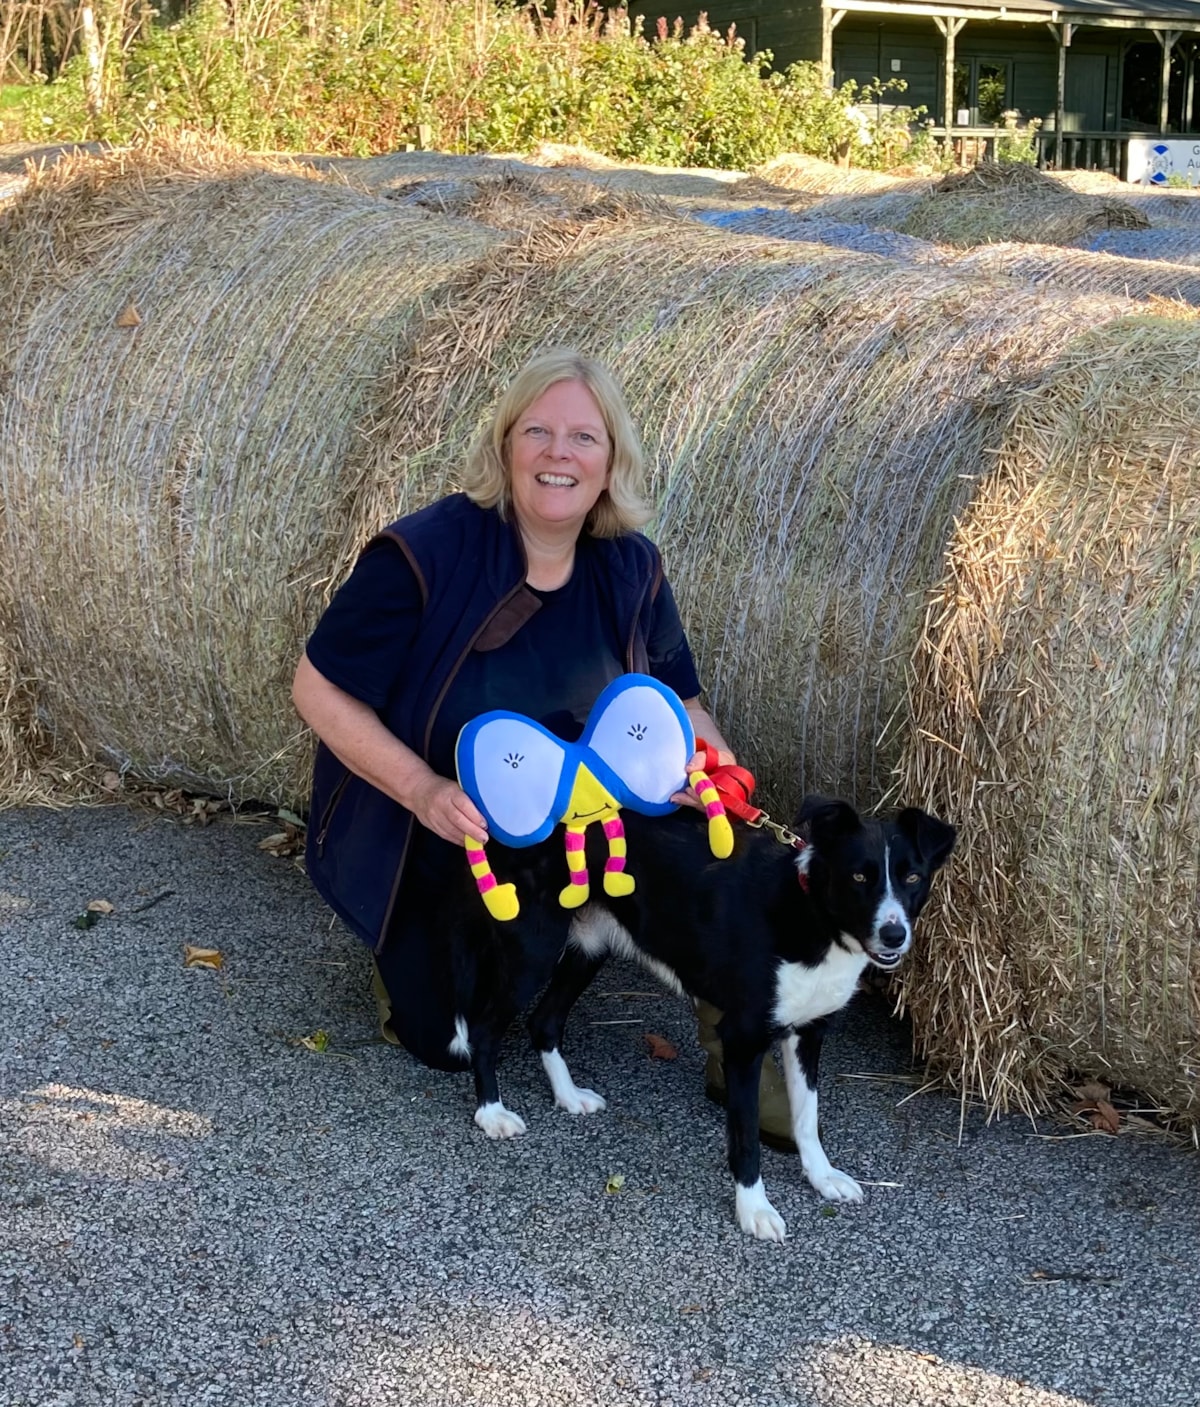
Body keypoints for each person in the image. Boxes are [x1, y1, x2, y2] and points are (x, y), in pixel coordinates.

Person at [291, 347, 795, 1149]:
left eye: (584, 438)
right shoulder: (423, 555)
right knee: (441, 1042)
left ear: (610, 463)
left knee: (712, 834)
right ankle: (418, 957)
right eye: (540, 432)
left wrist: (712, 779)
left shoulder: (632, 566)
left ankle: (747, 1047)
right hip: (451, 832)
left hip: (592, 821)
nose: (560, 453)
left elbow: (684, 702)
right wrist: (422, 788)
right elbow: (317, 688)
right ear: (505, 446)